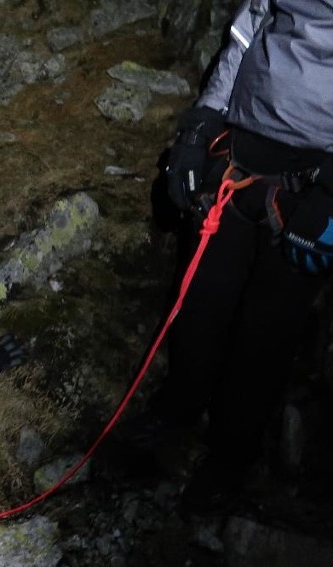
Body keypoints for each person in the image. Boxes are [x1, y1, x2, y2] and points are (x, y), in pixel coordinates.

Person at [147, 0, 332, 515]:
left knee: (267, 330)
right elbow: (248, 31)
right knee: (203, 296)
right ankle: (178, 409)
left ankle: (232, 454)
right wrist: (202, 122)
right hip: (241, 150)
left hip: (313, 179)